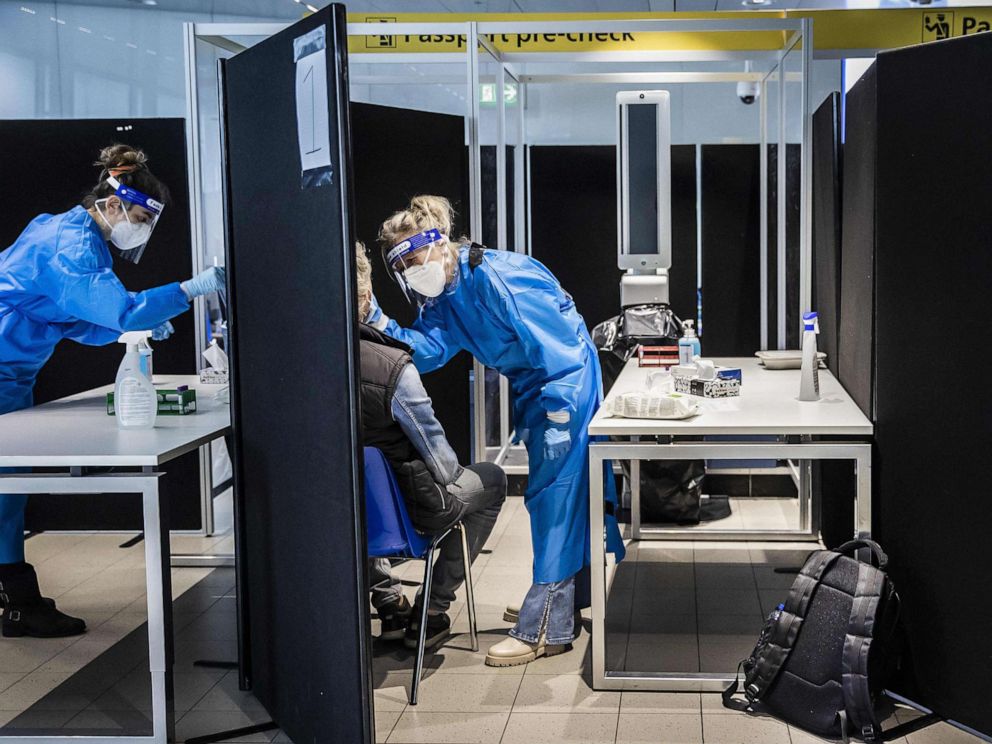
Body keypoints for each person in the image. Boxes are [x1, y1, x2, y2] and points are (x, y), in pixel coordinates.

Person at [366, 195, 625, 667]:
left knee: (555, 498)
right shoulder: (444, 295)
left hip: (563, 385)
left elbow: (561, 350)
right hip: (534, 388)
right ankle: (565, 597)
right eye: (401, 267)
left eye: (414, 257)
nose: (411, 272)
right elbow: (427, 351)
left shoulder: (500, 276)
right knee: (560, 497)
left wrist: (560, 416)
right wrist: (377, 320)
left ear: (439, 242)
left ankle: (549, 626)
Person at [0, 144, 226, 638]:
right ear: (112, 203)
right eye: (140, 216)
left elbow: (73, 320)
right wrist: (191, 290)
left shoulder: (76, 234)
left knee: (8, 490)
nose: (141, 227)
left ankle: (16, 598)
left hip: (13, 369)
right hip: (3, 366)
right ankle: (17, 598)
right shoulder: (71, 244)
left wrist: (131, 330)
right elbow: (117, 309)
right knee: (4, 489)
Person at [355, 243, 506, 650]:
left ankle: (388, 604)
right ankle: (433, 610)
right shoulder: (394, 368)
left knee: (357, 490)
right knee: (491, 481)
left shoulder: (299, 369)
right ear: (366, 296)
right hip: (410, 515)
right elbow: (443, 467)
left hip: (339, 517)